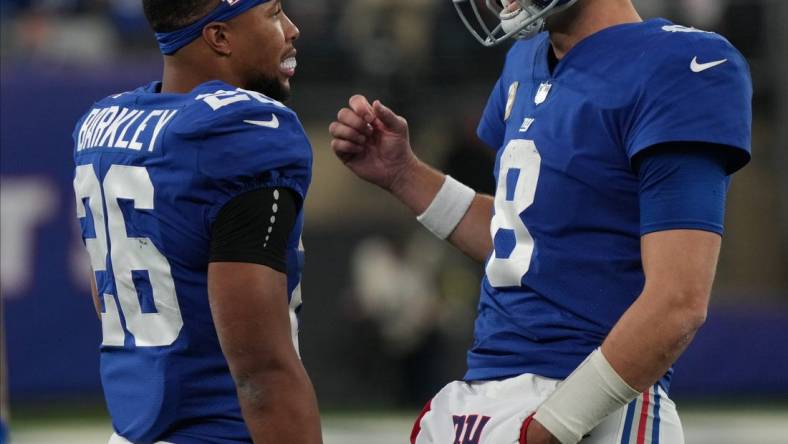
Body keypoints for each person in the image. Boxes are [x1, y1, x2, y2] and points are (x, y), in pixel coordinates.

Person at [328, 0, 752, 442]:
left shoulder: (679, 64)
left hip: (589, 398)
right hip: (482, 394)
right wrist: (404, 175)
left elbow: (678, 302)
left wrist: (553, 426)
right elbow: (526, 241)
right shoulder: (525, 60)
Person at [72, 1, 322, 442]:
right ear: (220, 37)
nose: (292, 29)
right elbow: (260, 371)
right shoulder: (240, 130)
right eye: (274, 13)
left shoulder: (102, 124)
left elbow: (112, 291)